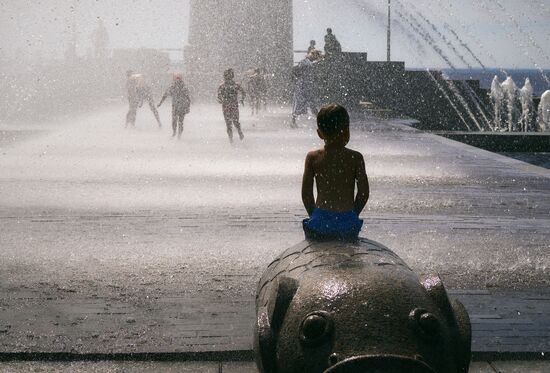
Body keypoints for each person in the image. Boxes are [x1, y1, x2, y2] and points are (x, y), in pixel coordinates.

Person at [301, 104, 369, 240]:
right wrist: (353, 215)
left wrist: (314, 216)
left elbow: (306, 194)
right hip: (348, 222)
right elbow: (363, 193)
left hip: (320, 221)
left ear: (319, 133)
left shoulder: (313, 157)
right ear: (347, 131)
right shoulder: (355, 158)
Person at [158, 74, 191, 139]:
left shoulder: (182, 87)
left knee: (179, 122)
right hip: (176, 107)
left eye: (178, 79)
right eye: (176, 79)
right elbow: (165, 95)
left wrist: (188, 107)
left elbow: (188, 98)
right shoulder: (173, 87)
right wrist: (160, 103)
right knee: (176, 121)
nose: (177, 80)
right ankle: (175, 133)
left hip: (181, 107)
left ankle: (178, 134)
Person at [217, 69, 246, 143]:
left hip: (226, 107)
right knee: (235, 122)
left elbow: (219, 97)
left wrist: (221, 100)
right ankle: (238, 133)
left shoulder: (222, 86)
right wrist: (242, 99)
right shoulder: (236, 85)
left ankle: (231, 140)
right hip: (233, 106)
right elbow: (243, 92)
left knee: (229, 124)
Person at [291, 53, 318, 127]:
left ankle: (293, 121)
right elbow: (296, 70)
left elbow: (295, 70)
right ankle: (320, 121)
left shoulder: (306, 63)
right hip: (304, 87)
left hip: (304, 87)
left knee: (302, 105)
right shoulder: (306, 63)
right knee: (308, 104)